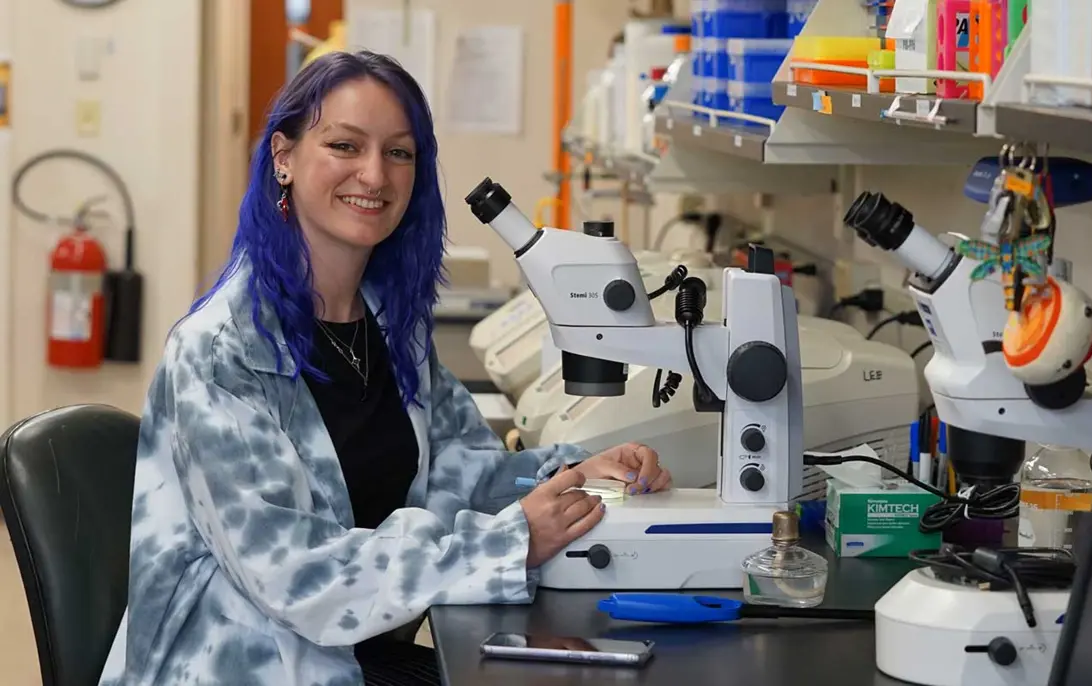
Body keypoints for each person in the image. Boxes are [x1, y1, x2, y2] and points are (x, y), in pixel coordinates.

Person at [99, 50, 672, 686]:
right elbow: (297, 576)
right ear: (283, 158)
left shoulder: (390, 326)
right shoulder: (222, 350)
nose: (374, 174)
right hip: (245, 663)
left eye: (399, 153)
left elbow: (467, 470)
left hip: (354, 653)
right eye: (345, 145)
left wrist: (575, 474)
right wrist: (508, 544)